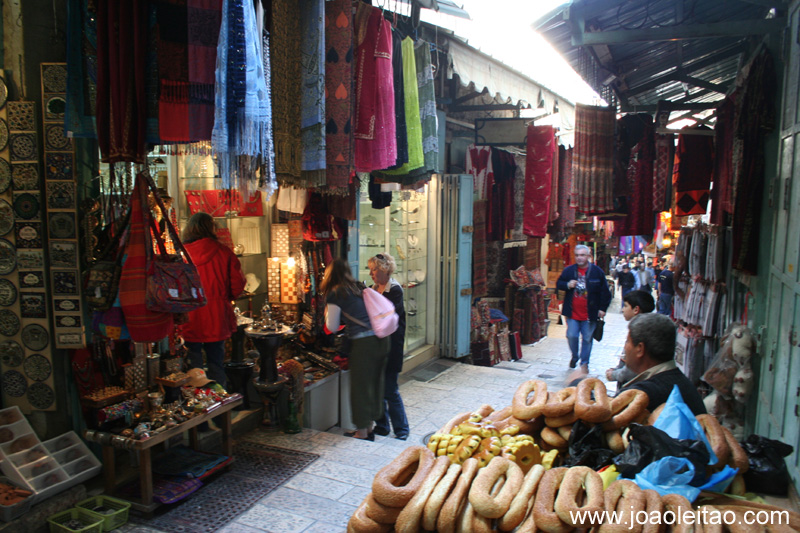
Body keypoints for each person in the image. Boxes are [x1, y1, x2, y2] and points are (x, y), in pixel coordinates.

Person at [322, 258, 390, 440]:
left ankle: (361, 432)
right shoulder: (358, 286)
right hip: (382, 339)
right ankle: (368, 427)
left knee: (360, 387)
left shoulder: (336, 293)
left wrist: (329, 313)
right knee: (373, 384)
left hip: (364, 343)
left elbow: (333, 326)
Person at [180, 212, 246, 388]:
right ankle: (220, 410)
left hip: (190, 316)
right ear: (211, 228)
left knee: (193, 368)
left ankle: (197, 406)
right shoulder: (223, 251)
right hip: (216, 315)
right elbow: (238, 285)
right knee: (216, 364)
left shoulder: (182, 254)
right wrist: (224, 298)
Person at [617, 313, 707, 415]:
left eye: (627, 341)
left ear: (640, 349)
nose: (625, 347)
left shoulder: (642, 395)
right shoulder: (686, 387)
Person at [367, 253, 409, 440]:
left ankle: (402, 429)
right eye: (370, 269)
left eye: (374, 269)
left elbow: (384, 315)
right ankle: (382, 426)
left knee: (390, 389)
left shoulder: (394, 290)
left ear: (384, 269)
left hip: (391, 347)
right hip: (376, 347)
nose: (371, 274)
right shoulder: (373, 289)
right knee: (377, 388)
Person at [556, 244, 612, 371]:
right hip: (572, 312)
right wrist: (567, 284)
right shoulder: (569, 271)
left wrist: (602, 308)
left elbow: (605, 293)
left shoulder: (597, 272)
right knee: (572, 335)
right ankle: (575, 356)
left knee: (587, 339)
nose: (579, 258)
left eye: (582, 255)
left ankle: (584, 363)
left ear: (588, 256)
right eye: (577, 255)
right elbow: (559, 284)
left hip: (590, 313)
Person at [606, 290, 655, 386]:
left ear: (636, 309)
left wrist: (614, 374)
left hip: (632, 387)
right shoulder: (644, 329)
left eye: (625, 306)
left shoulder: (640, 333)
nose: (623, 310)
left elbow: (632, 369)